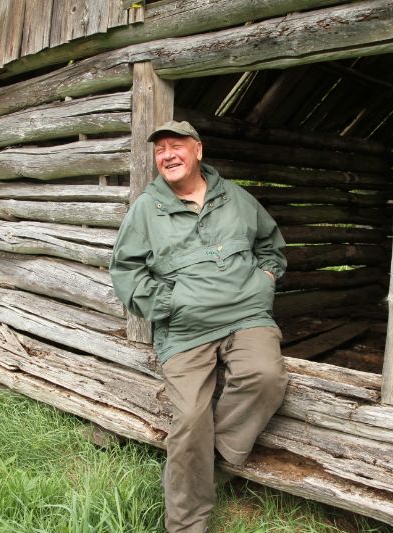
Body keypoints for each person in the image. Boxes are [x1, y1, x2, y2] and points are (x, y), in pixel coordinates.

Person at [109, 120, 289, 533]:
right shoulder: (145, 210)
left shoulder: (237, 199)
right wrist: (170, 304)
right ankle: (188, 524)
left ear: (198, 151)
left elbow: (271, 247)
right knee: (190, 417)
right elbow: (126, 271)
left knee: (265, 376)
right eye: (160, 151)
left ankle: (206, 461)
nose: (168, 155)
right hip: (186, 328)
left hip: (247, 316)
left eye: (176, 147)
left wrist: (265, 283)